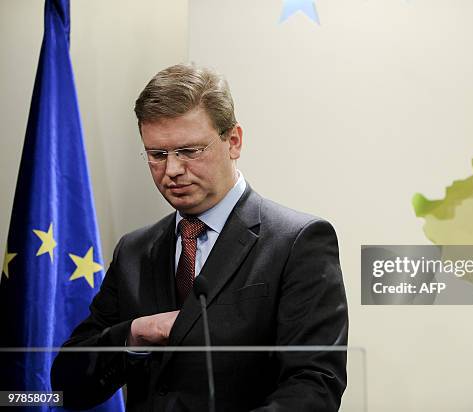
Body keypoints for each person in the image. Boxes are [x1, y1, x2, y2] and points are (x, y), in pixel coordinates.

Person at [51, 64, 348, 411]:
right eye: (157, 154)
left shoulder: (298, 242)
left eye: (189, 151)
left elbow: (314, 386)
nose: (172, 170)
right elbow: (69, 384)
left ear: (233, 141)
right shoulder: (134, 250)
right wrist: (136, 333)